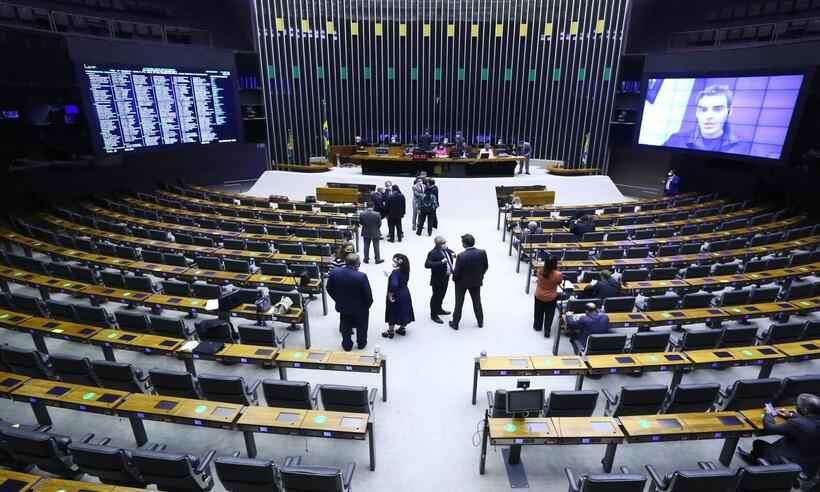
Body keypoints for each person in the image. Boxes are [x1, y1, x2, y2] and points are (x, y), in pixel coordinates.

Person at [738, 393, 820, 478]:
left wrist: (768, 414)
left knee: (758, 444)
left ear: (806, 410)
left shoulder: (796, 423)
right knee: (782, 441)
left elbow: (770, 428)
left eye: (798, 405)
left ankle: (759, 463)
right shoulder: (804, 421)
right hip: (810, 467)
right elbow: (810, 423)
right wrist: (791, 415)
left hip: (791, 464)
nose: (796, 407)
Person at [663, 85, 752, 154]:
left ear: (729, 112)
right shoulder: (676, 140)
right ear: (696, 113)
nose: (708, 116)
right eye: (703, 109)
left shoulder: (745, 148)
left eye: (717, 109)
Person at [326, 253, 373, 351]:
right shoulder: (361, 276)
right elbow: (368, 296)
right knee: (362, 326)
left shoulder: (335, 272)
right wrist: (366, 307)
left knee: (345, 325)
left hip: (343, 306)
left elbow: (329, 288)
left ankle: (347, 345)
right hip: (360, 308)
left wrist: (337, 299)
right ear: (358, 264)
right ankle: (361, 343)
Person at [450, 234, 489, 330]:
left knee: (459, 303)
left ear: (464, 244)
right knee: (477, 302)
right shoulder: (482, 252)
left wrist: (454, 279)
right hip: (476, 281)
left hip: (461, 283)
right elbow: (485, 266)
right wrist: (480, 276)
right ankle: (480, 322)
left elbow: (457, 272)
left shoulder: (461, 256)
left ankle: (455, 323)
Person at [383, 253, 415, 338]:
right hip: (405, 293)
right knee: (404, 311)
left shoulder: (395, 273)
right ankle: (402, 328)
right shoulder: (406, 270)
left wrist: (390, 294)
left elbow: (394, 285)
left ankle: (391, 331)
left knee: (392, 312)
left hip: (396, 294)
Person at [424, 236, 455, 324]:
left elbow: (450, 252)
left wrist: (453, 254)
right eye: (443, 243)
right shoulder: (433, 253)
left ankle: (439, 309)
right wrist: (441, 262)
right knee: (436, 296)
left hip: (446, 277)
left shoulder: (446, 249)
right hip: (438, 278)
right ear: (438, 244)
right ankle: (433, 315)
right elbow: (427, 264)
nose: (445, 245)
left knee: (442, 294)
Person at [534, 256, 563, 337]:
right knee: (549, 315)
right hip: (551, 298)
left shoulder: (540, 270)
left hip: (539, 295)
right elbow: (559, 282)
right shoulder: (558, 274)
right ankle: (547, 331)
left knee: (538, 312)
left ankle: (537, 326)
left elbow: (538, 279)